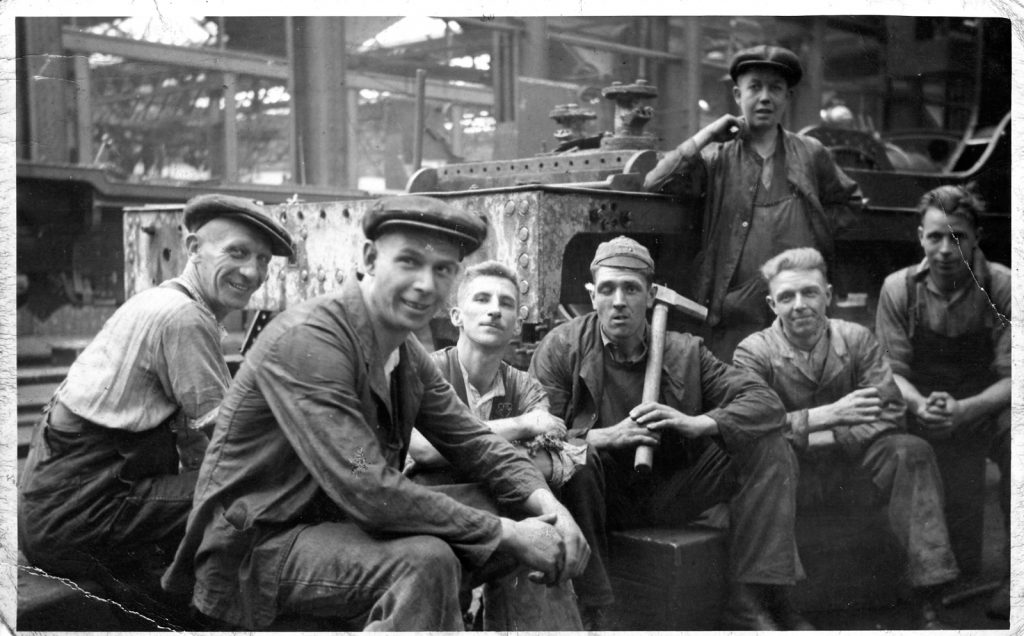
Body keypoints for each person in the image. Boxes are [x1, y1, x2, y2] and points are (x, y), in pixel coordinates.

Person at [161, 195, 590, 631]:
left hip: (333, 525)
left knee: (517, 511)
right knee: (427, 562)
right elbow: (366, 483)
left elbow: (474, 443)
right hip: (260, 545)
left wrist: (550, 510)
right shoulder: (312, 341)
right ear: (369, 258)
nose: (425, 284)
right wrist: (508, 533)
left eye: (442, 269)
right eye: (408, 262)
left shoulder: (403, 353)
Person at [530, 235, 809, 631]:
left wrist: (698, 423)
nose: (619, 301)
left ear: (650, 295)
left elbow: (765, 404)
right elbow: (538, 442)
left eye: (631, 288)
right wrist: (608, 437)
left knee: (769, 445)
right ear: (593, 296)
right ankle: (595, 610)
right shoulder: (561, 347)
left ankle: (751, 598)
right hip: (600, 498)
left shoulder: (686, 351)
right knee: (579, 461)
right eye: (608, 289)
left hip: (673, 487)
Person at [19, 194, 293, 579]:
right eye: (237, 253)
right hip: (78, 521)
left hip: (55, 516)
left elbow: (198, 438)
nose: (252, 272)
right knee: (263, 493)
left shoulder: (161, 299)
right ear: (193, 248)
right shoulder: (184, 317)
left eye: (263, 259)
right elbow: (235, 440)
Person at [732, 247, 959, 629]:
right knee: (770, 457)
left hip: (854, 469)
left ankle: (928, 596)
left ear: (829, 295)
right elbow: (747, 426)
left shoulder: (857, 339)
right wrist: (830, 417)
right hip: (790, 476)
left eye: (810, 292)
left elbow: (889, 411)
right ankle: (778, 603)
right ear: (772, 304)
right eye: (786, 297)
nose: (799, 304)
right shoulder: (754, 352)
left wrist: (814, 433)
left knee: (911, 452)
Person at [406, 260, 594, 630]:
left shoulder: (526, 387)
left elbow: (548, 460)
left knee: (543, 541)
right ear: (457, 316)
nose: (494, 309)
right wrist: (521, 425)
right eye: (482, 299)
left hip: (492, 515)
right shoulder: (429, 370)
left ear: (518, 322)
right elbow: (423, 450)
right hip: (429, 519)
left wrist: (459, 456)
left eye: (506, 303)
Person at [644, 44, 862, 362]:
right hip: (736, 314)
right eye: (755, 87)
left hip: (796, 309)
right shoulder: (716, 157)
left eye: (775, 89)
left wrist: (813, 233)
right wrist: (706, 134)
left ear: (787, 97)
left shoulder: (811, 153)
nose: (765, 97)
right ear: (737, 95)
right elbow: (656, 183)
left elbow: (850, 204)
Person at [875, 184, 1010, 620]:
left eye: (958, 237)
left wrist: (966, 410)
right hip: (924, 409)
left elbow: (1018, 377)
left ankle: (1017, 575)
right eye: (935, 237)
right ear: (920, 237)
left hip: (987, 408)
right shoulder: (898, 289)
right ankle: (913, 576)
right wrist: (919, 406)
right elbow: (892, 372)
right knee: (885, 436)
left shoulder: (1005, 287)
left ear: (976, 238)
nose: (946, 249)